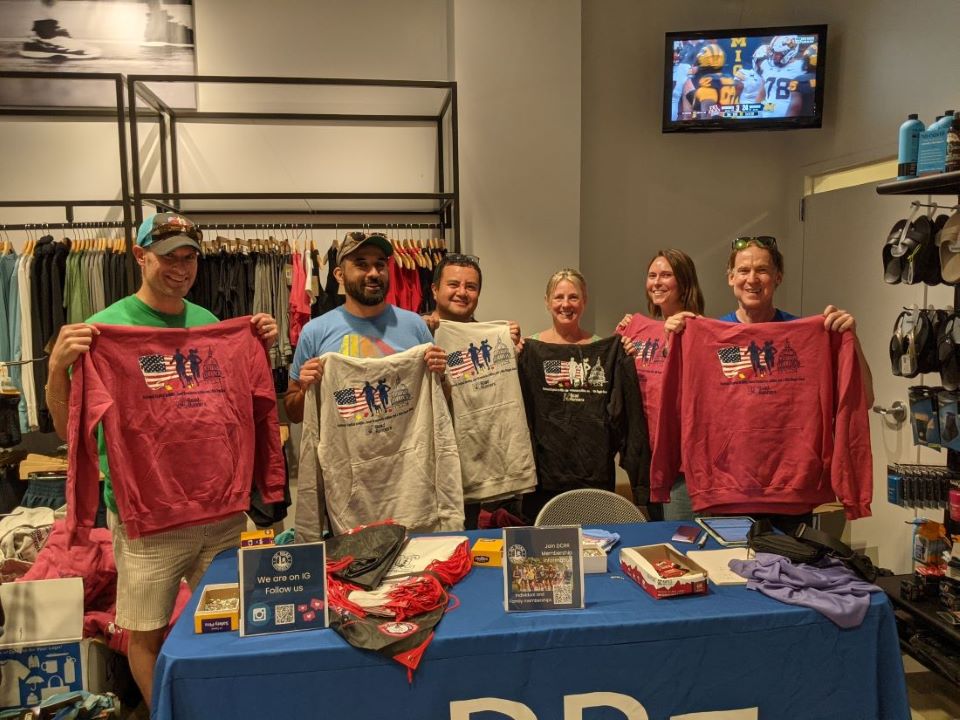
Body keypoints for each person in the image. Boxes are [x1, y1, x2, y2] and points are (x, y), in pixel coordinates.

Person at [44, 212, 279, 710]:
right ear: (140, 255)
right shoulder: (106, 330)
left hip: (221, 511)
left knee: (234, 619)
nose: (181, 266)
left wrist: (256, 340)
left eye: (189, 256)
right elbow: (71, 425)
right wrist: (57, 370)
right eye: (168, 255)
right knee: (144, 633)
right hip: (148, 516)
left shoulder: (212, 326)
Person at [667, 235, 875, 532]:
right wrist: (673, 341)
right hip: (726, 489)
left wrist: (851, 342)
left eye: (762, 270)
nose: (752, 279)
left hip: (790, 489)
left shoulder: (806, 336)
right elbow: (672, 406)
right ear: (730, 278)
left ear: (778, 277)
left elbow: (864, 399)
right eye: (743, 270)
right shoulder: (708, 337)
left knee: (787, 576)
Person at [284, 231, 446, 424]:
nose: (374, 273)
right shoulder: (314, 332)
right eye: (361, 265)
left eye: (380, 264)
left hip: (406, 453)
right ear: (339, 275)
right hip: (343, 453)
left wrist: (441, 377)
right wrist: (305, 390)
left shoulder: (415, 325)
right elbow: (293, 414)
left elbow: (441, 399)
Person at [616, 249, 705, 521]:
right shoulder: (636, 329)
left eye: (666, 275)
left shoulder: (700, 329)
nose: (656, 282)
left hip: (682, 461)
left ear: (684, 282)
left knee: (682, 540)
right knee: (656, 535)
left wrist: (692, 330)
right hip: (646, 457)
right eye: (652, 275)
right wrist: (622, 349)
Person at [421, 253, 521, 347]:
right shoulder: (415, 328)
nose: (462, 293)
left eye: (470, 287)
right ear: (435, 290)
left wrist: (512, 347)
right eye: (453, 285)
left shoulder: (488, 337)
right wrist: (416, 330)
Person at [530, 268, 599, 344]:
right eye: (559, 297)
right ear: (547, 301)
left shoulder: (600, 347)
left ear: (584, 301)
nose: (566, 304)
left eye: (573, 297)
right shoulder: (529, 345)